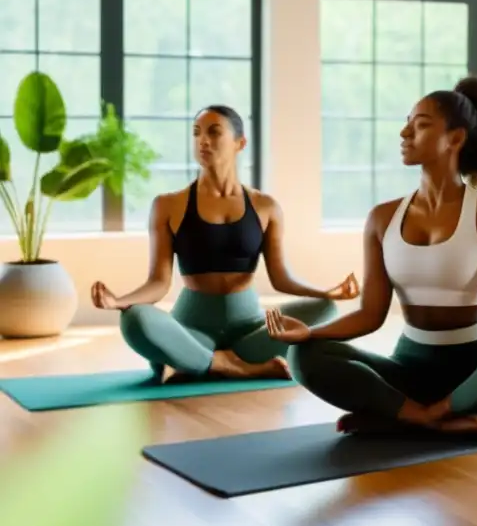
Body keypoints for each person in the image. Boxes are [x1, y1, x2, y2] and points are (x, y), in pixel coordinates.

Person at [266, 76, 477, 443]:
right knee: (304, 355)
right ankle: (430, 418)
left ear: (455, 138)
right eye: (407, 123)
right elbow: (370, 314)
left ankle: (410, 417)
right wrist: (310, 333)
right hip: (410, 372)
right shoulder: (382, 219)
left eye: (420, 125)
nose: (404, 133)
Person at [91, 104, 360, 382]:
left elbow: (282, 279)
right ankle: (231, 365)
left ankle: (195, 362)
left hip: (250, 330)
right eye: (196, 133)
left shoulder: (266, 206)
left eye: (214, 132)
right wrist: (119, 301)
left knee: (326, 308)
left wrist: (328, 291)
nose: (202, 140)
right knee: (134, 319)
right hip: (192, 329)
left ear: (239, 143)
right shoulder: (168, 205)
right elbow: (158, 283)